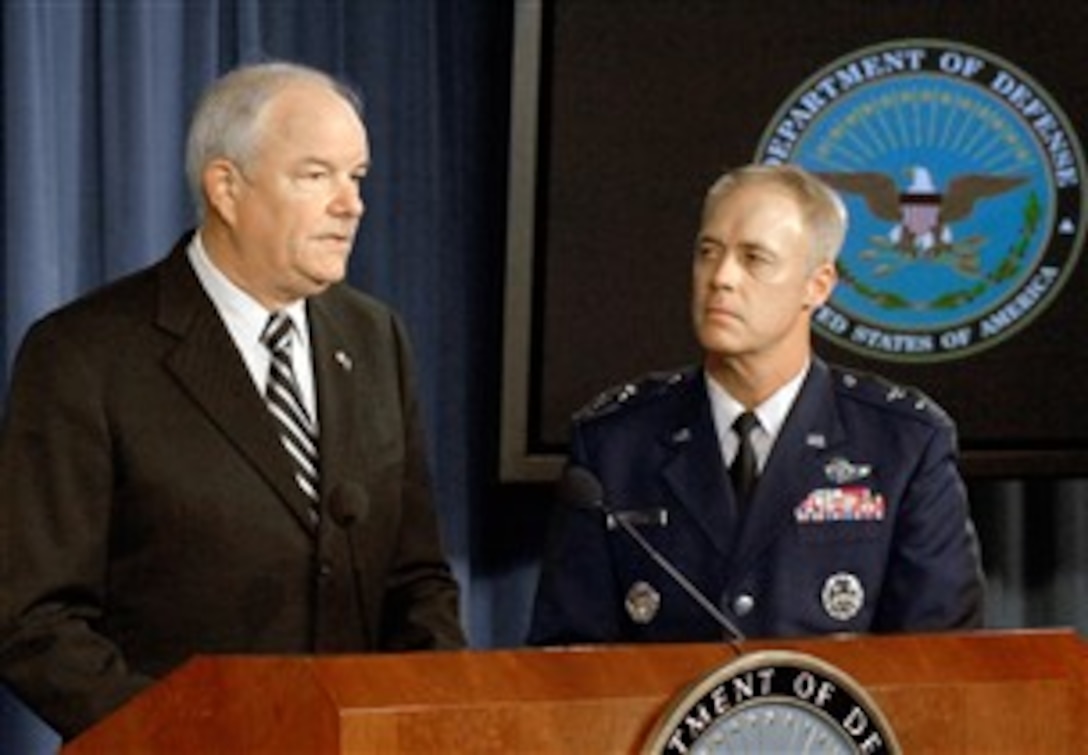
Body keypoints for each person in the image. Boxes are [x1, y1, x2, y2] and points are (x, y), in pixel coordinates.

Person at [0, 61, 466, 739]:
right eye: (316, 175)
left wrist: (427, 722)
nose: (351, 203)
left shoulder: (374, 337)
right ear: (226, 186)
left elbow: (418, 577)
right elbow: (33, 618)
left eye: (356, 176)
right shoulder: (85, 354)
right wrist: (187, 735)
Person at [528, 163, 985, 646]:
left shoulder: (904, 444)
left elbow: (942, 668)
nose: (721, 278)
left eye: (755, 259)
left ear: (818, 285)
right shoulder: (613, 446)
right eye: (708, 252)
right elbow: (567, 667)